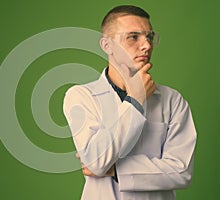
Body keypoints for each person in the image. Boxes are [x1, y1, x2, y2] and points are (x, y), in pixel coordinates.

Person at [63, 5, 197, 200]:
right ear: (107, 45)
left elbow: (182, 171)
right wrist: (135, 100)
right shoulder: (81, 96)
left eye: (149, 37)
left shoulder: (172, 100)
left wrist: (115, 170)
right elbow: (97, 162)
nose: (147, 46)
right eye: (133, 37)